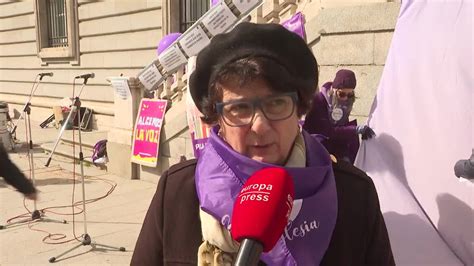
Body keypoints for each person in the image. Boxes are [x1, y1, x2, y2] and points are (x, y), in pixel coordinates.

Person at [131, 22, 394, 265]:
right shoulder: (178, 193)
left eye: (276, 103)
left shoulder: (353, 195)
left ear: (299, 109)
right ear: (218, 119)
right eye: (239, 108)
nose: (259, 125)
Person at [303, 69, 375, 164]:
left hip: (335, 146)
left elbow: (342, 128)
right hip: (317, 146)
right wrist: (355, 130)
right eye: (342, 94)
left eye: (349, 95)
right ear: (334, 90)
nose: (345, 98)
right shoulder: (319, 101)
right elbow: (327, 131)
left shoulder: (344, 104)